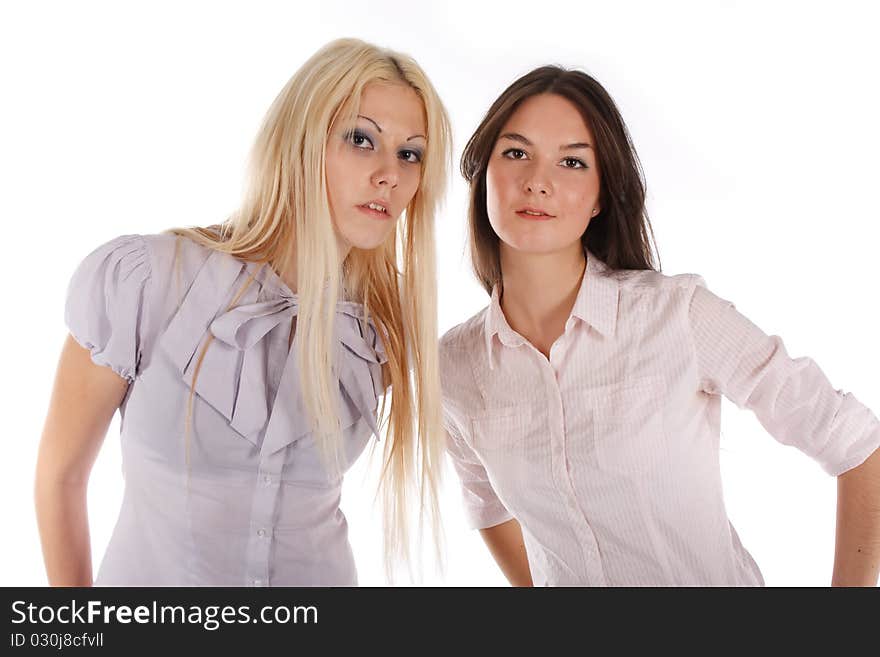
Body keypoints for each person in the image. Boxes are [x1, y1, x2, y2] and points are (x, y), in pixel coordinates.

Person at [439, 66, 880, 586]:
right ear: (483, 171)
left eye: (573, 162)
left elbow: (857, 445)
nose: (539, 180)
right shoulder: (455, 367)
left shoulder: (680, 316)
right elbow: (488, 505)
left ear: (601, 195)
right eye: (516, 153)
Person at [34, 38, 451, 586]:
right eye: (360, 138)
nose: (389, 174)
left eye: (410, 153)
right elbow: (60, 478)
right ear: (301, 139)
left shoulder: (381, 331)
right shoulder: (149, 280)